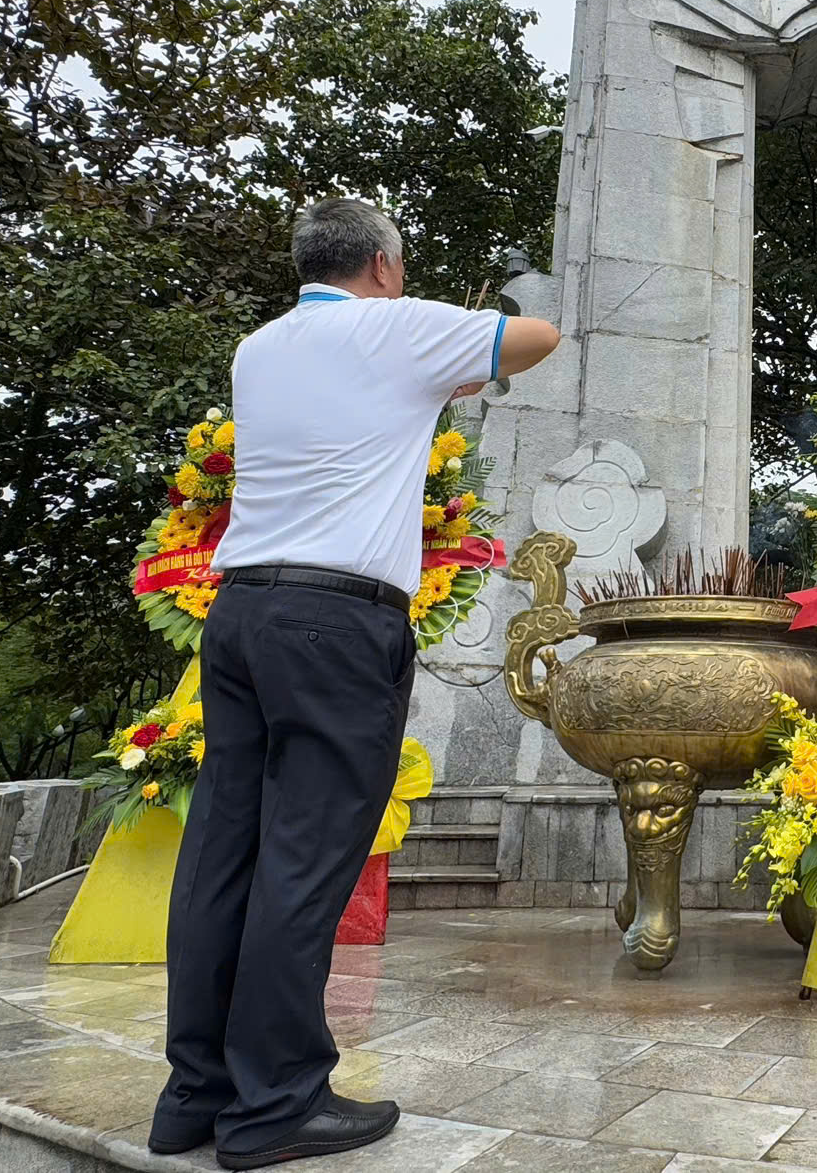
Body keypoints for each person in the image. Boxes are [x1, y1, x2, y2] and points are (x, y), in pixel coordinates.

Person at [152, 197, 558, 1170]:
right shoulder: (395, 327)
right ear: (381, 264)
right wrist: (465, 336)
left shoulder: (260, 348)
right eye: (400, 266)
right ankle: (276, 1105)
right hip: (334, 625)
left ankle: (195, 1096)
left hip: (241, 613)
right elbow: (536, 336)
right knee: (304, 858)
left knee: (224, 852)